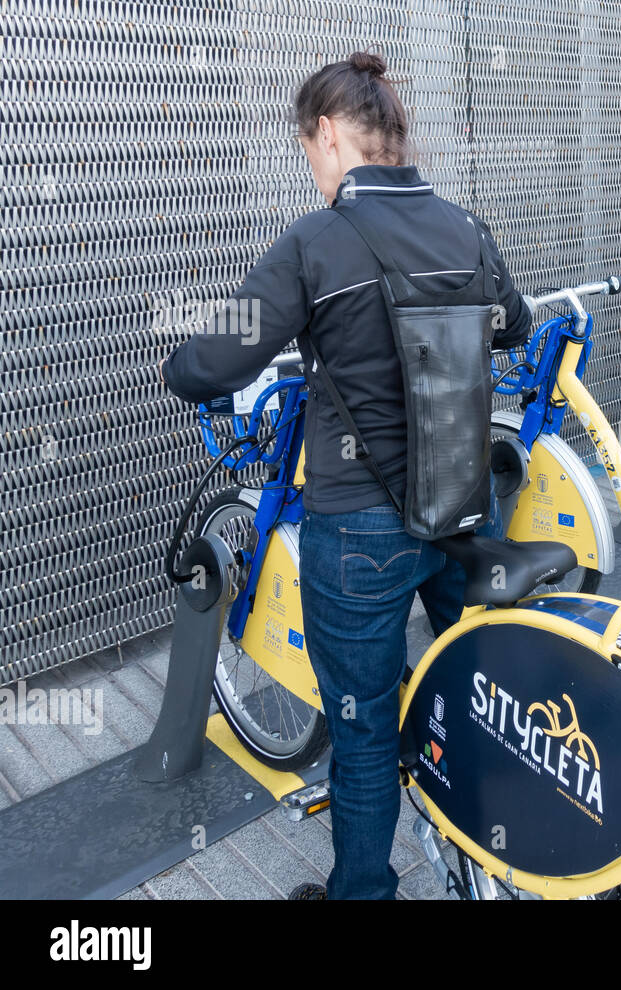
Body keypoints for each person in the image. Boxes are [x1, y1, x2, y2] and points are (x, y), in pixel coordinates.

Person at [161, 49, 531, 899]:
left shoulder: (318, 241)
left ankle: (363, 891)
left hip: (361, 527)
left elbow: (220, 356)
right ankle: (504, 845)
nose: (311, 169)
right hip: (464, 505)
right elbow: (513, 323)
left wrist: (180, 370)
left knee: (363, 729)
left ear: (327, 134)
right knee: (469, 680)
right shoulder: (464, 227)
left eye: (307, 149)